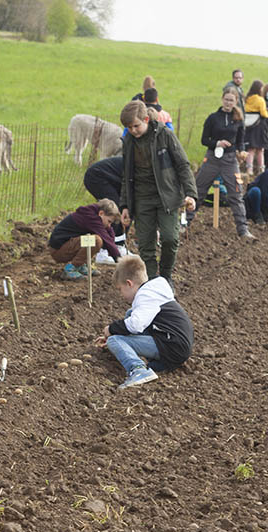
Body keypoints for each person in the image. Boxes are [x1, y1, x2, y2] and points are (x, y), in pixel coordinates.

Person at [118, 100, 197, 282]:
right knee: (146, 246)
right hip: (141, 198)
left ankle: (166, 276)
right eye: (128, 127)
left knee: (170, 238)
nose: (133, 130)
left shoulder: (165, 135)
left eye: (136, 126)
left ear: (146, 119)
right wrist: (124, 205)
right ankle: (154, 282)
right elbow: (126, 175)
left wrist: (190, 193)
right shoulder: (128, 141)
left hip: (166, 197)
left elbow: (182, 165)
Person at [94, 255, 193, 389]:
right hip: (175, 345)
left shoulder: (145, 296)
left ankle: (138, 370)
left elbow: (136, 325)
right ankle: (154, 364)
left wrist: (110, 330)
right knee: (130, 314)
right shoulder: (155, 290)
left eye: (120, 289)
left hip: (172, 345)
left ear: (129, 283)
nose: (121, 294)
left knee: (115, 340)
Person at [185, 90, 253, 240]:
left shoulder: (238, 120)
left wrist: (241, 151)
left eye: (232, 100)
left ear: (236, 101)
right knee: (199, 191)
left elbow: (240, 140)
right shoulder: (213, 118)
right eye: (226, 100)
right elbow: (204, 140)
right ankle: (184, 225)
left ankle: (243, 230)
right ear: (222, 99)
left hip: (230, 161)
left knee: (236, 194)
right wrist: (217, 143)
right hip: (212, 158)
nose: (228, 103)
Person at [48, 199, 123, 280]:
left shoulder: (93, 214)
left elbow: (108, 234)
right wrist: (119, 259)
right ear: (101, 213)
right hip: (58, 250)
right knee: (96, 241)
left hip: (66, 245)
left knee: (93, 239)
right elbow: (105, 238)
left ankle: (80, 265)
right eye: (109, 221)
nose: (109, 225)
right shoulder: (91, 218)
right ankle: (70, 269)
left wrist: (109, 229)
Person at [82, 155, 128, 260]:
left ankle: (119, 245)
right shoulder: (136, 167)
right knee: (113, 210)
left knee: (125, 208)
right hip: (96, 177)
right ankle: (103, 251)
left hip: (111, 180)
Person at [242, 79, 268, 177]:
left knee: (250, 149)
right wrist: (267, 113)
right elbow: (264, 113)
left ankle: (249, 169)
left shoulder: (247, 98)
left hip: (249, 125)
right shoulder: (260, 99)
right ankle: (261, 169)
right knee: (260, 149)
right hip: (259, 126)